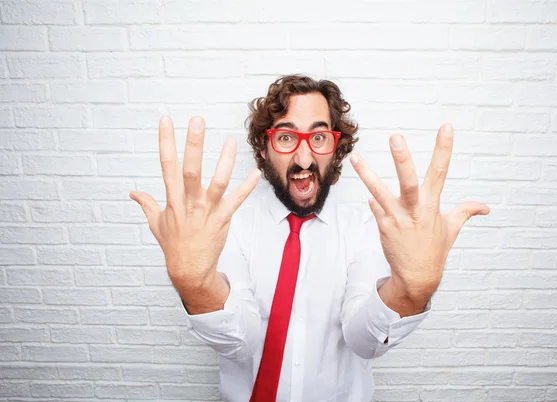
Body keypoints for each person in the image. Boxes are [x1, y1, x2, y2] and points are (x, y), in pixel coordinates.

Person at [129, 75, 490, 402]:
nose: (304, 157)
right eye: (286, 137)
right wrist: (195, 285)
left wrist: (413, 291)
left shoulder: (368, 227)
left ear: (337, 147)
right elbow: (239, 342)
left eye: (319, 137)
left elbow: (364, 341)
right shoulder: (225, 227)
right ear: (264, 149)